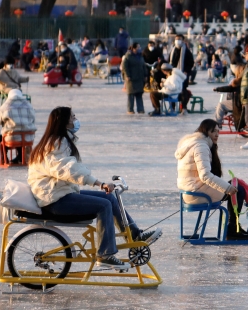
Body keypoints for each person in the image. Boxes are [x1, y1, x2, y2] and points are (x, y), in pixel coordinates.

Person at [28, 106, 161, 270]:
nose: (75, 120)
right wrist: (98, 183)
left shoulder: (56, 142)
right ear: (63, 122)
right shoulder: (56, 144)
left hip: (58, 194)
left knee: (109, 198)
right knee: (103, 205)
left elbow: (72, 167)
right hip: (54, 201)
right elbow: (68, 170)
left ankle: (134, 235)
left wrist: (98, 184)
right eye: (72, 117)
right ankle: (105, 254)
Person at [176, 119, 248, 240]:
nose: (216, 135)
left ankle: (233, 227)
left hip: (189, 191)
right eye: (213, 131)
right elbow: (205, 175)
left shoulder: (193, 143)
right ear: (205, 131)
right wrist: (227, 188)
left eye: (218, 131)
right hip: (197, 193)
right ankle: (232, 229)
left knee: (234, 186)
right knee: (238, 190)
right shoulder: (201, 146)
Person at [0, 87, 36, 163]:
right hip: (28, 137)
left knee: (5, 137)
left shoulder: (6, 105)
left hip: (11, 137)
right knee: (20, 133)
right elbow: (33, 119)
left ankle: (4, 157)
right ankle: (20, 156)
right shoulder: (28, 105)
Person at [121, 43, 147, 115]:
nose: (139, 48)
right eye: (138, 47)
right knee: (131, 94)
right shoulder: (128, 56)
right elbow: (125, 67)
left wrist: (145, 75)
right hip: (131, 78)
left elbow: (143, 66)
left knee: (139, 94)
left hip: (139, 77)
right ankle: (130, 109)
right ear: (133, 48)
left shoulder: (140, 56)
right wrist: (127, 75)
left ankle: (140, 109)